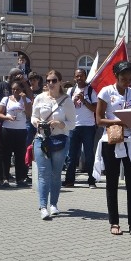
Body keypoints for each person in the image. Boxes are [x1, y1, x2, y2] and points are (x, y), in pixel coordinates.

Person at [95, 61, 131, 235]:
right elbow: (99, 120)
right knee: (112, 182)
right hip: (111, 140)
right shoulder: (106, 92)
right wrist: (119, 121)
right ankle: (114, 222)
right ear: (116, 76)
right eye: (123, 78)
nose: (126, 82)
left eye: (129, 79)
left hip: (130, 142)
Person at [32, 69, 75, 218]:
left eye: (54, 80)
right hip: (41, 139)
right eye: (48, 80)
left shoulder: (67, 100)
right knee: (43, 174)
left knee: (56, 174)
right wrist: (37, 122)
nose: (51, 83)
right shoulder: (40, 98)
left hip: (60, 140)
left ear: (60, 82)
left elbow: (73, 124)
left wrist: (60, 123)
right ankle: (43, 206)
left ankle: (53, 205)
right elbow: (33, 117)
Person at [63, 68, 98, 188]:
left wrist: (84, 100)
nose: (79, 78)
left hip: (88, 126)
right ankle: (69, 180)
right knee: (72, 155)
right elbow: (65, 108)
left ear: (85, 77)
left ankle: (91, 180)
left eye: (81, 76)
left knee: (89, 154)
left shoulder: (91, 91)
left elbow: (95, 109)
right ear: (74, 78)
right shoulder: (70, 90)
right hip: (74, 126)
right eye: (77, 76)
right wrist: (72, 101)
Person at [0, 75, 33, 187]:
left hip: (21, 130)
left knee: (19, 155)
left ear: (22, 90)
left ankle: (20, 178)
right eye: (13, 89)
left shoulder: (26, 100)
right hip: (7, 129)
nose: (15, 91)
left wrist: (24, 100)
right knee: (6, 154)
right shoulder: (6, 99)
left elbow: (29, 114)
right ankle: (5, 178)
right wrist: (7, 117)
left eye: (18, 89)